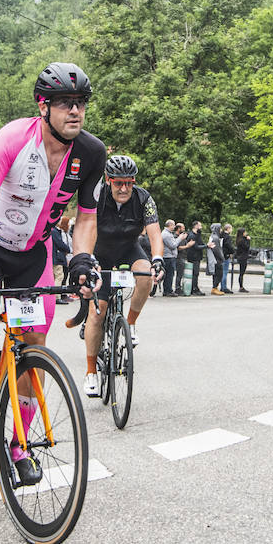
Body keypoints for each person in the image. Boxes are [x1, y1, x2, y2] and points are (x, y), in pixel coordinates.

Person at [0, 61, 106, 488]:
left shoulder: (91, 153)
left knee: (33, 347)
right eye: (66, 103)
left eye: (81, 103)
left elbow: (85, 218)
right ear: (43, 106)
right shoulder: (12, 138)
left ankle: (18, 445)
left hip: (34, 254)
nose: (76, 111)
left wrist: (82, 260)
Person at [81, 155, 163, 395]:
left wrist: (157, 259)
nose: (124, 188)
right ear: (108, 180)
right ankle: (90, 373)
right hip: (100, 252)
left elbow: (154, 233)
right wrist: (88, 260)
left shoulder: (143, 198)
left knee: (147, 274)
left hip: (129, 248)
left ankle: (130, 323)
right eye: (118, 183)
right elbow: (87, 229)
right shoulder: (98, 197)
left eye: (129, 182)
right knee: (98, 313)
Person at [181, 221, 205, 296]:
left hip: (196, 256)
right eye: (200, 225)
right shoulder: (192, 235)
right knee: (195, 273)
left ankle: (194, 288)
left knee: (195, 273)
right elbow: (196, 246)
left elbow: (200, 243)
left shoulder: (197, 235)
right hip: (193, 256)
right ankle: (194, 288)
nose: (201, 227)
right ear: (196, 226)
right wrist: (207, 246)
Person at [160, 218, 179, 296]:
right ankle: (168, 291)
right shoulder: (166, 234)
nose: (174, 227)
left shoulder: (168, 233)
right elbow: (173, 245)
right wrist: (180, 238)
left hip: (169, 256)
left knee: (169, 274)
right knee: (169, 274)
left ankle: (167, 290)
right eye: (173, 225)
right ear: (170, 225)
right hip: (168, 257)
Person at [208, 223, 225, 295]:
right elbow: (217, 250)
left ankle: (214, 288)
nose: (221, 230)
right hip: (217, 259)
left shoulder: (213, 236)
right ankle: (214, 288)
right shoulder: (215, 238)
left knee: (216, 274)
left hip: (214, 258)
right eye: (220, 228)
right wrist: (222, 258)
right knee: (219, 274)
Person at [234, 227, 251, 293]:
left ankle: (241, 286)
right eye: (244, 232)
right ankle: (241, 287)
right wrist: (248, 240)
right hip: (243, 257)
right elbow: (247, 247)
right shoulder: (242, 241)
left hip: (240, 256)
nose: (246, 233)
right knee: (242, 272)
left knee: (241, 272)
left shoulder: (239, 239)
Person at [220, 223, 236, 293]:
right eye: (231, 228)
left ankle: (222, 286)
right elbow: (228, 245)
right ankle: (224, 287)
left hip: (221, 254)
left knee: (222, 271)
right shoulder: (228, 237)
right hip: (226, 255)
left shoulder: (221, 235)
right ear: (228, 229)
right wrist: (232, 252)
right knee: (225, 272)